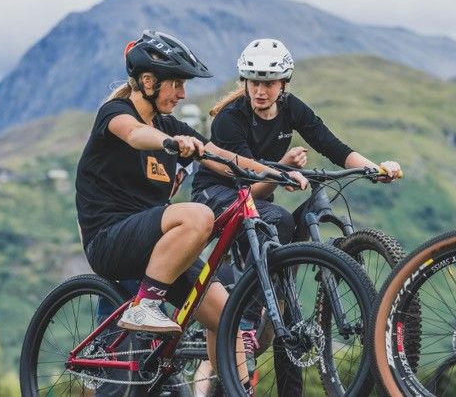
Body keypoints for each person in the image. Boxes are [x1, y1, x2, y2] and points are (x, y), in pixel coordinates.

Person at [75, 30, 306, 391]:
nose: (183, 94)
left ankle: (234, 388)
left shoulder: (170, 124)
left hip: (155, 247)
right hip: (110, 240)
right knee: (199, 214)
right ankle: (145, 306)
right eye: (177, 84)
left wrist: (275, 172)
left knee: (225, 316)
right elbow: (135, 135)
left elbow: (223, 158)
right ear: (148, 81)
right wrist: (169, 142)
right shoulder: (115, 114)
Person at [191, 38, 402, 394]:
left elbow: (331, 145)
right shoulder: (230, 119)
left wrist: (374, 168)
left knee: (282, 234)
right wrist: (281, 172)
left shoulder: (292, 109)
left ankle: (278, 295)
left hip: (259, 198)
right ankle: (246, 316)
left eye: (269, 83)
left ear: (283, 84)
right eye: (254, 81)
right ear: (244, 82)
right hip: (219, 195)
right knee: (279, 221)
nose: (260, 90)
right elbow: (246, 175)